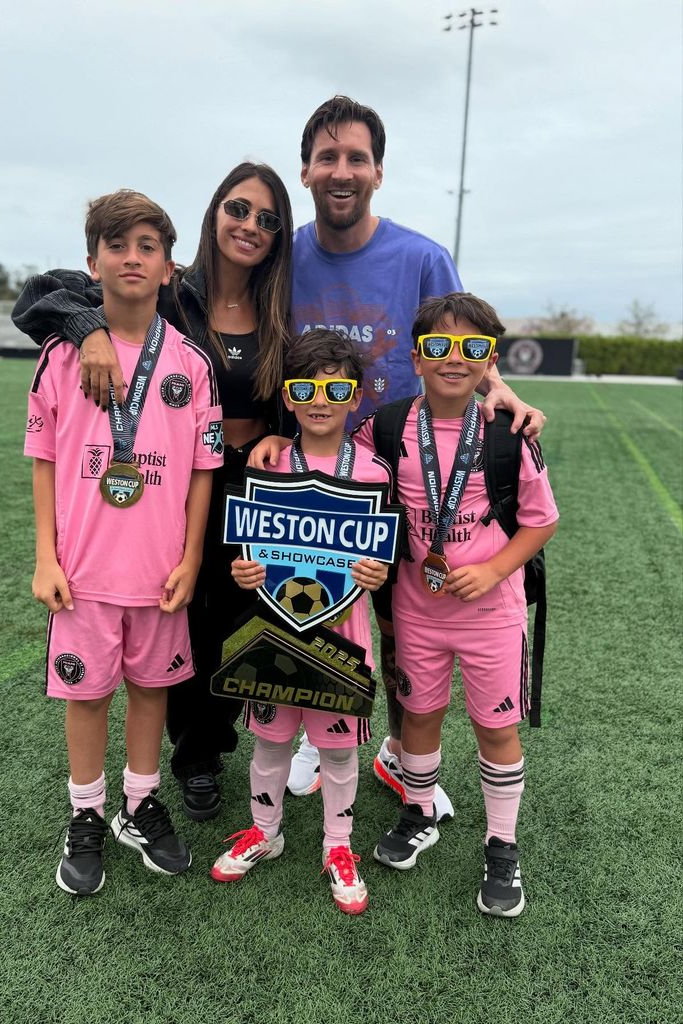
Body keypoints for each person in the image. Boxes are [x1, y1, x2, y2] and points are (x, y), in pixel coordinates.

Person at [248, 95, 546, 809]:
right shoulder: (283, 260)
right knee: (315, 605)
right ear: (306, 171)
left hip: (405, 466)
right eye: (327, 158)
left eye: (355, 157)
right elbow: (256, 344)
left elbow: (460, 336)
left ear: (378, 171)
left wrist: (500, 393)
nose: (341, 170)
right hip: (318, 469)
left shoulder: (421, 255)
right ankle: (322, 743)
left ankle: (389, 752)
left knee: (398, 620)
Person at [13, 163, 293, 821]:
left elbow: (302, 380)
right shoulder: (175, 287)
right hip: (163, 476)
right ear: (213, 215)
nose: (249, 225)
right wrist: (87, 332)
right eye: (238, 209)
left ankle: (221, 746)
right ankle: (189, 760)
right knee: (179, 620)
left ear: (278, 235)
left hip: (247, 479)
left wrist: (281, 434)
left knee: (230, 620)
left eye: (267, 217)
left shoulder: (282, 303)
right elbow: (38, 297)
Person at [24, 189, 223, 895]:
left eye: (147, 247)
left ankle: (139, 804)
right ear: (92, 262)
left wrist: (194, 557)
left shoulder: (192, 366)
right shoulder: (61, 356)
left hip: (160, 570)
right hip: (80, 571)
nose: (132, 258)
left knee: (151, 691)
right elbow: (44, 461)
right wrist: (46, 557)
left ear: (170, 268)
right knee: (87, 699)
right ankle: (86, 814)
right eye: (118, 246)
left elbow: (202, 470)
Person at [353, 292, 558, 917]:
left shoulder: (508, 434)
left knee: (496, 728)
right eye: (439, 347)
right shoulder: (386, 427)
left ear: (488, 361)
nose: (453, 359)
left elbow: (541, 521)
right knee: (417, 719)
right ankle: (419, 810)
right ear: (418, 357)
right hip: (416, 613)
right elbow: (333, 453)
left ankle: (502, 843)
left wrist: (495, 569)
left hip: (493, 615)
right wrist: (276, 451)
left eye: (471, 349)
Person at [210, 330, 390, 914]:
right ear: (288, 397)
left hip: (342, 636)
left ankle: (338, 846)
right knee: (269, 741)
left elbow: (381, 553)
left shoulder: (373, 471)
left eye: (336, 388)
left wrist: (376, 573)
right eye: (306, 387)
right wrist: (244, 573)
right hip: (274, 631)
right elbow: (250, 550)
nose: (320, 399)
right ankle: (266, 830)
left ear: (355, 396)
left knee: (338, 753)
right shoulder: (267, 461)